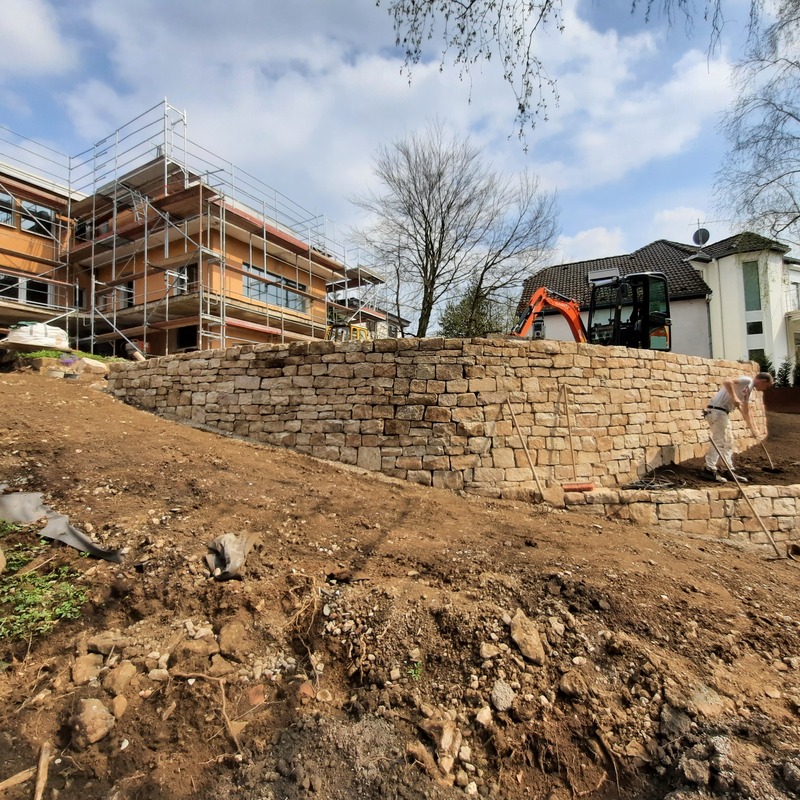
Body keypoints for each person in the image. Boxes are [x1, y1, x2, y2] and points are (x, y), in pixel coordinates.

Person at [702, 371, 774, 483]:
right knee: (719, 441)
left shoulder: (748, 390)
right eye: (767, 386)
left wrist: (753, 429)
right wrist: (734, 397)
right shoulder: (747, 380)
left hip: (723, 413)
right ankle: (709, 469)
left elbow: (746, 411)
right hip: (717, 410)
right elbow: (727, 381)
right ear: (763, 381)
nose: (765, 389)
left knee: (728, 442)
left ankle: (726, 469)